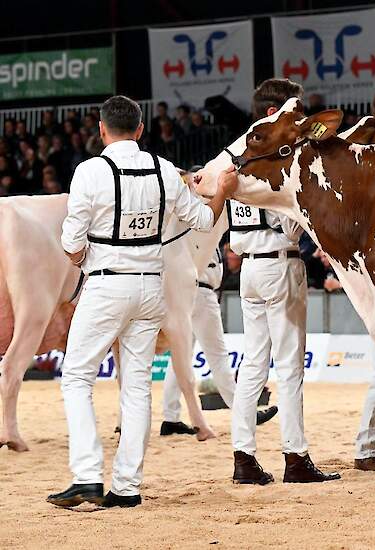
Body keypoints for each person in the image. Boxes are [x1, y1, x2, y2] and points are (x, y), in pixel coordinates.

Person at [48, 95, 235, 509]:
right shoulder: (164, 169)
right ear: (140, 129)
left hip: (106, 284)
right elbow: (204, 221)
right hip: (151, 287)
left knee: (77, 376)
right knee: (136, 386)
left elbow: (70, 241)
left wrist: (81, 258)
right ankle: (127, 486)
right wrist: (220, 192)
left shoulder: (90, 171)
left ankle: (86, 477)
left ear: (101, 130)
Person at [228, 78, 339, 485]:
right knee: (289, 366)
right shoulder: (280, 156)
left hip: (249, 268)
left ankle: (244, 457)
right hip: (280, 260)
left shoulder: (236, 156)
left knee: (253, 364)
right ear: (278, 111)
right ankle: (295, 457)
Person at [160, 245, 279, 435]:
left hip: (186, 292)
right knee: (218, 357)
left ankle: (171, 417)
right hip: (201, 292)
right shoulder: (200, 232)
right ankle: (245, 413)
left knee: (180, 356)